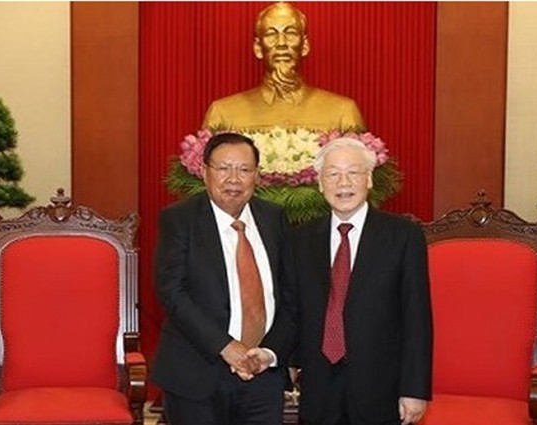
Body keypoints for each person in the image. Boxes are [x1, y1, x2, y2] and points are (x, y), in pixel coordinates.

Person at [151, 132, 297, 425]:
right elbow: (172, 291)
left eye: (244, 170)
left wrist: (270, 353)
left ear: (257, 176)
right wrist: (226, 347)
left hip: (262, 376)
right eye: (223, 168)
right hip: (198, 373)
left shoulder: (274, 217)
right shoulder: (180, 219)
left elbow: (290, 294)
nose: (234, 179)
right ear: (205, 172)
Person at [291, 138, 432, 425]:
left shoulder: (403, 236)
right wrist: (290, 363)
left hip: (380, 386)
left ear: (368, 179)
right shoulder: (300, 239)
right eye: (333, 174)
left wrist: (414, 389)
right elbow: (294, 308)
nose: (344, 182)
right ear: (320, 183)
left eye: (353, 173)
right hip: (318, 385)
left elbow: (417, 317)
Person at [202, 2, 365, 133]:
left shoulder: (343, 112)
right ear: (258, 48)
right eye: (271, 34)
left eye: (291, 33)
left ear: (305, 46)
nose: (281, 43)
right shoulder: (222, 113)